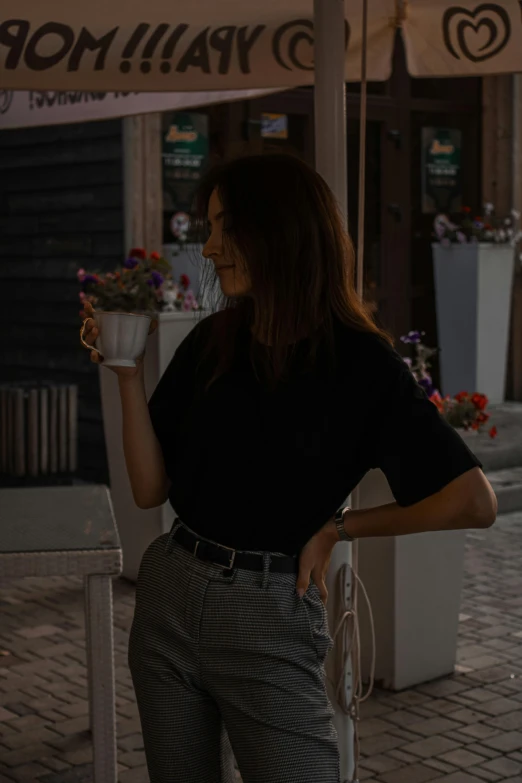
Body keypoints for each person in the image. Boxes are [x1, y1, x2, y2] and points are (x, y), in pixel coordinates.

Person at [80, 153, 497, 783]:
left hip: (268, 611)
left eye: (225, 226)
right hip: (169, 592)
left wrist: (341, 529)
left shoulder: (361, 366)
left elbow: (474, 501)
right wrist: (127, 374)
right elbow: (148, 490)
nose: (211, 246)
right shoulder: (213, 340)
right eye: (211, 227)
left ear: (278, 230)